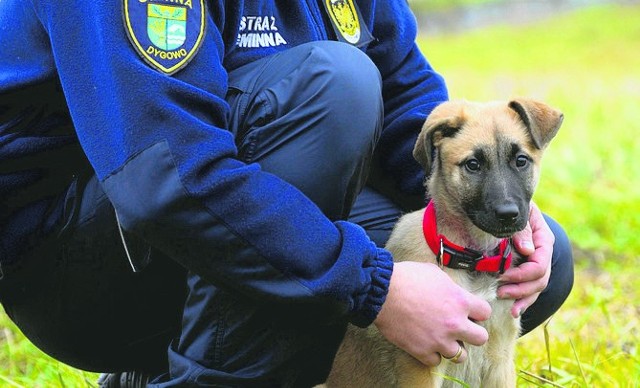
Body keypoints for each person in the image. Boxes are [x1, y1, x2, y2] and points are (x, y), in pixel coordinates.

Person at [0, 1, 574, 386]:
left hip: (208, 205)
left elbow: (407, 102)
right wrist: (373, 286)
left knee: (503, 271)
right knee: (334, 85)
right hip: (75, 257)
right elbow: (165, 175)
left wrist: (493, 219)